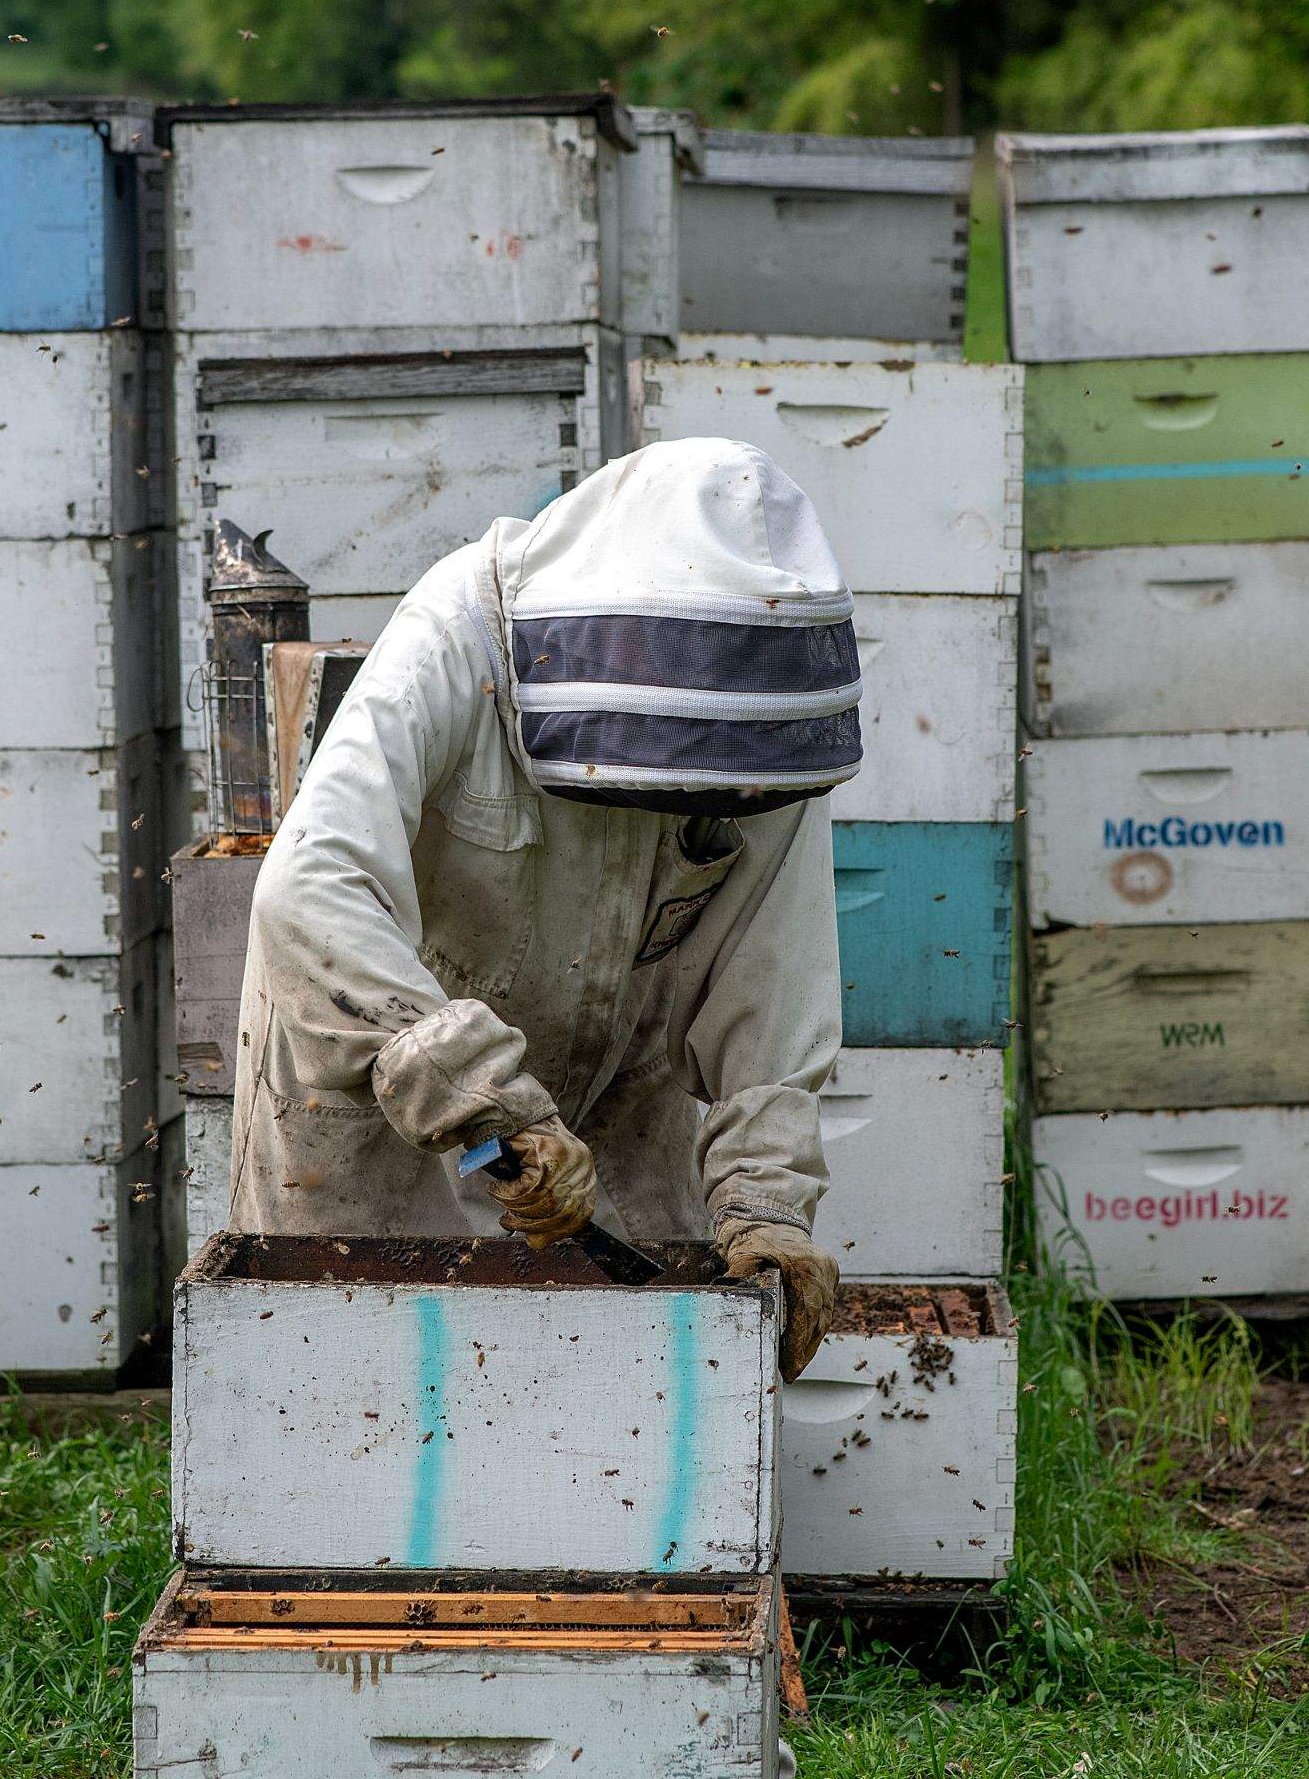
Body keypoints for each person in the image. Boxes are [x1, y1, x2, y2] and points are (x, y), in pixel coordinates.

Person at [228, 437, 854, 1380]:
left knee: (629, 1424)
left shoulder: (759, 729)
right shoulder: (457, 629)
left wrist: (766, 1202)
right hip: (376, 1098)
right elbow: (309, 893)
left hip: (617, 1103)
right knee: (362, 1409)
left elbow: (774, 972)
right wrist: (482, 1102)